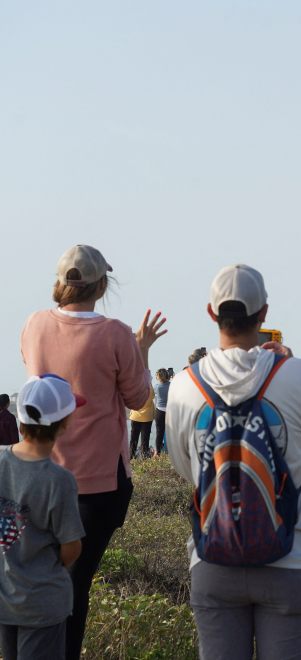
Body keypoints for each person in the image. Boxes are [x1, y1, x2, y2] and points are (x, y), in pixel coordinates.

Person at [165, 263, 301, 660]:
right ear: (263, 313)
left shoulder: (184, 384)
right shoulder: (298, 375)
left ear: (212, 313)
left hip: (212, 556)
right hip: (291, 559)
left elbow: (186, 468)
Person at [20, 244, 166, 660]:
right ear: (102, 284)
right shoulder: (115, 333)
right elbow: (138, 397)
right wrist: (140, 349)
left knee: (39, 579)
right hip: (98, 482)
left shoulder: (34, 325)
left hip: (41, 474)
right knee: (74, 585)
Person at [0, 375, 86, 660]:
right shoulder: (59, 480)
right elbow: (72, 547)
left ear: (20, 421)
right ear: (65, 423)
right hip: (43, 604)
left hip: (5, 599)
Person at [127, 386, 155, 459]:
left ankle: (131, 455)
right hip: (147, 417)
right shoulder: (151, 391)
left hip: (135, 416)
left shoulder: (135, 390)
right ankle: (144, 456)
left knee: (133, 437)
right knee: (145, 438)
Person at [151, 368, 170, 457]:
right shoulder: (171, 385)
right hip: (169, 411)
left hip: (159, 411)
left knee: (159, 432)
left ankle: (157, 452)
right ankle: (169, 451)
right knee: (171, 432)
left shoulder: (156, 386)